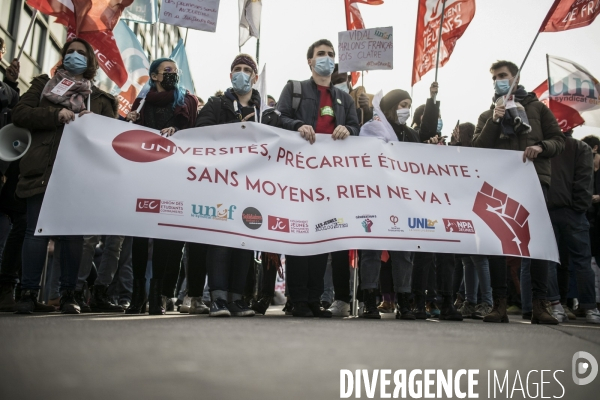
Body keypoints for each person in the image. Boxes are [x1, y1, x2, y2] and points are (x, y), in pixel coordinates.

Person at [12, 38, 118, 314]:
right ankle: (27, 293)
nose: (74, 56)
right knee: (36, 231)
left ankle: (70, 294)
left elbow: (112, 138)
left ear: (90, 62)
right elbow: (21, 113)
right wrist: (54, 114)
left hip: (79, 174)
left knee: (73, 236)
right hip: (43, 168)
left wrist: (92, 122)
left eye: (81, 53)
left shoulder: (102, 100)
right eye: (69, 52)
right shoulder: (41, 85)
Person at [473, 60, 564, 324]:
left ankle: (539, 305)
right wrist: (494, 121)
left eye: (503, 76)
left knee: (535, 244)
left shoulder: (538, 109)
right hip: (500, 185)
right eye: (494, 77)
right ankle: (499, 305)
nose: (498, 81)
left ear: (516, 77)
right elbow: (478, 148)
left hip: (534, 181)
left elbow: (559, 141)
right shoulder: (488, 114)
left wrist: (541, 147)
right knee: (499, 243)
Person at [277, 39, 359, 317]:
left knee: (322, 236)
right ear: (310, 61)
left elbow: (357, 131)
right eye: (320, 54)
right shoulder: (294, 89)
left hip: (331, 179)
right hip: (299, 176)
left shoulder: (345, 99)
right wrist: (298, 125)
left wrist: (347, 129)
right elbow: (278, 118)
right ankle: (298, 299)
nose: (326, 58)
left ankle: (313, 299)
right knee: (300, 234)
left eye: (330, 54)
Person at [196, 53, 279, 317]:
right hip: (220, 182)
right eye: (237, 69)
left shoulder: (265, 112)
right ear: (230, 75)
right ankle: (218, 298)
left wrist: (299, 127)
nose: (241, 73)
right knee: (220, 240)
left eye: (247, 70)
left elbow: (281, 134)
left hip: (252, 186)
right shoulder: (217, 104)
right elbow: (201, 131)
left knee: (244, 240)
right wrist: (235, 128)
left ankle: (237, 298)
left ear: (255, 78)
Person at [126, 57, 198, 315]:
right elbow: (127, 136)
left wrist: (176, 129)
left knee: (165, 234)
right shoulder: (142, 102)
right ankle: (137, 296)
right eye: (167, 71)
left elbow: (191, 128)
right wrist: (130, 119)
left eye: (175, 72)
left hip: (173, 176)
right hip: (144, 174)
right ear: (154, 76)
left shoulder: (186, 100)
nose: (172, 75)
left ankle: (157, 295)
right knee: (140, 234)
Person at [546, 130, 600, 324]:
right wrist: (579, 207)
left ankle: (555, 305)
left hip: (548, 210)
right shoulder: (581, 148)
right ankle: (590, 308)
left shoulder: (545, 147)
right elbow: (585, 181)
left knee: (550, 261)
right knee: (582, 261)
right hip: (574, 213)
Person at [0, 36, 29, 313]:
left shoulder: (7, 88)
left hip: (6, 169)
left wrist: (10, 85)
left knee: (17, 224)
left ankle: (7, 285)